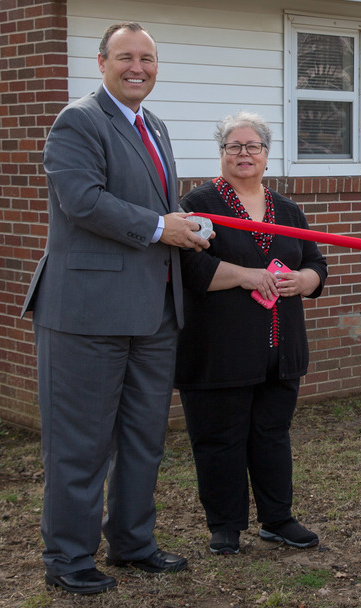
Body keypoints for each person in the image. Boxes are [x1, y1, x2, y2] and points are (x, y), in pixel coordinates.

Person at [20, 22, 209, 595]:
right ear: (101, 61)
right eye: (125, 57)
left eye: (147, 59)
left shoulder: (153, 125)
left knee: (144, 437)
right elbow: (82, 201)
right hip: (86, 313)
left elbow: (156, 206)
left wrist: (184, 224)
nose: (138, 68)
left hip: (154, 313)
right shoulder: (78, 121)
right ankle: (70, 559)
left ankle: (132, 542)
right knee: (80, 444)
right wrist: (160, 227)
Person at [175, 111, 328, 555]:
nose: (244, 154)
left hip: (280, 349)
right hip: (219, 349)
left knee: (272, 435)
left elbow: (315, 262)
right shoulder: (197, 205)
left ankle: (277, 519)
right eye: (234, 147)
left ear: (266, 153)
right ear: (221, 153)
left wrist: (304, 281)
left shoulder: (288, 209)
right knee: (220, 438)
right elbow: (190, 268)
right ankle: (225, 525)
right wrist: (246, 275)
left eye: (253, 147)